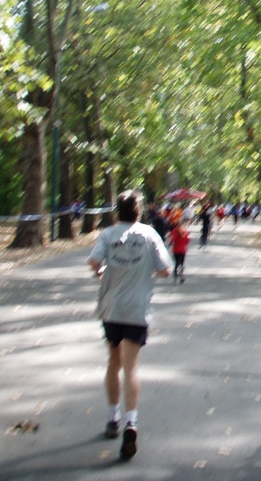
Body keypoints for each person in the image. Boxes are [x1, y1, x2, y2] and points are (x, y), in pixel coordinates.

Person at [87, 190, 171, 461]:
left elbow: (94, 262)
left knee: (114, 361)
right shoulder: (149, 235)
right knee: (131, 365)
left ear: (117, 211)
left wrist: (101, 272)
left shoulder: (108, 235)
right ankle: (131, 422)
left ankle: (112, 417)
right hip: (137, 308)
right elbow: (166, 268)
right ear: (139, 211)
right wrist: (146, 269)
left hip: (111, 307)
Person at [169, 218, 190, 283]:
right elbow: (187, 240)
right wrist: (184, 244)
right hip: (183, 250)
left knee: (176, 263)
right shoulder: (184, 230)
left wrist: (170, 243)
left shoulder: (174, 231)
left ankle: (175, 274)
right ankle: (182, 275)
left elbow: (173, 239)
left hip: (176, 250)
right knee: (182, 263)